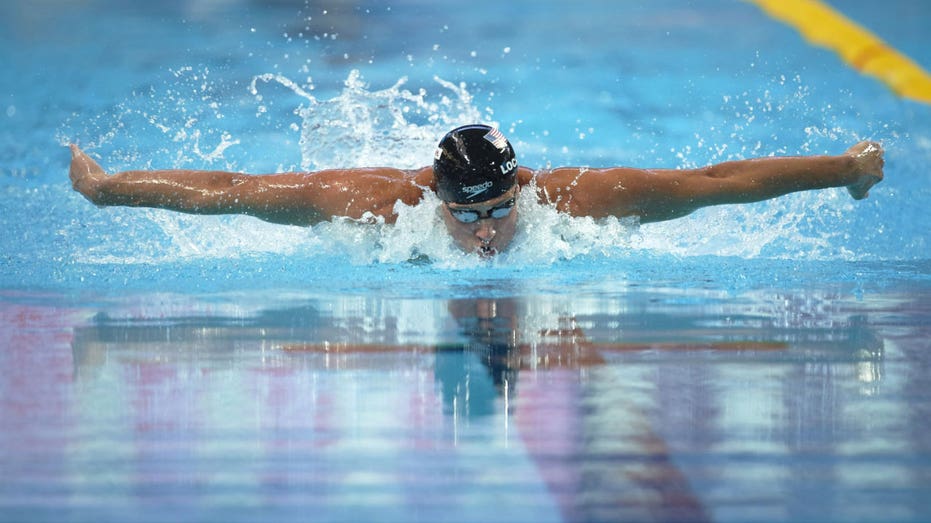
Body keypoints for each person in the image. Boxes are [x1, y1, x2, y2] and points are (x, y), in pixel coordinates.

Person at [69, 124, 884, 257]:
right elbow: (233, 186)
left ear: (521, 184)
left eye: (500, 209)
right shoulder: (376, 206)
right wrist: (109, 191)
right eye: (470, 214)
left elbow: (715, 183)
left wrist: (844, 170)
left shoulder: (578, 204)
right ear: (435, 194)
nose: (488, 230)